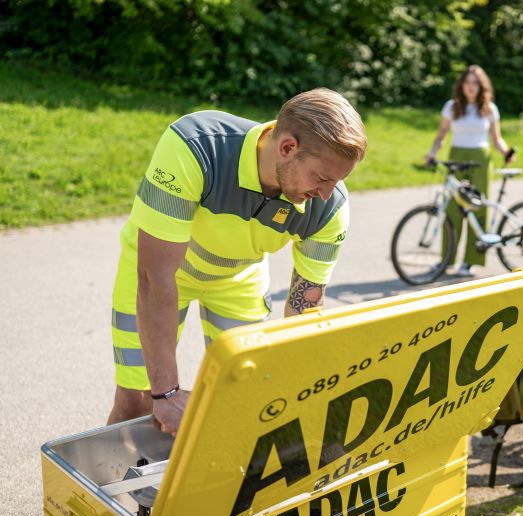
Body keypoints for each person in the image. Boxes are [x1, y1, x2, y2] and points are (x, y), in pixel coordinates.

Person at [106, 88, 367, 434]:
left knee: (242, 403)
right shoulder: (196, 146)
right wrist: (166, 393)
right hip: (162, 273)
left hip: (238, 279)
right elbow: (155, 276)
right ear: (288, 148)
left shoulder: (330, 207)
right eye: (321, 177)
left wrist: (304, 394)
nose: (326, 193)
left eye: (337, 181)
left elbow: (304, 312)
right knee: (138, 403)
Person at [425, 65, 515, 277]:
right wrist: (432, 153)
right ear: (462, 85)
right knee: (452, 209)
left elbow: (496, 139)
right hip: (456, 157)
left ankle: (470, 261)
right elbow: (441, 135)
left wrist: (506, 152)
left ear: (481, 86)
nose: (471, 87)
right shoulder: (451, 107)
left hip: (480, 159)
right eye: (467, 82)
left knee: (477, 207)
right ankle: (446, 260)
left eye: (475, 83)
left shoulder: (489, 109)